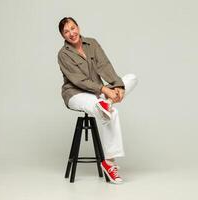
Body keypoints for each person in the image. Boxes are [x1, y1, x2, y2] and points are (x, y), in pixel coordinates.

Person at [57, 17, 138, 184]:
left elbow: (105, 66)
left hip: (98, 94)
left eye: (73, 28)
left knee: (131, 78)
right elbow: (79, 81)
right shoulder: (63, 54)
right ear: (63, 36)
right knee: (110, 111)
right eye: (66, 31)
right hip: (76, 94)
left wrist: (117, 87)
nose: (72, 33)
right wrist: (105, 90)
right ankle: (109, 162)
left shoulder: (92, 43)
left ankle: (106, 103)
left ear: (78, 27)